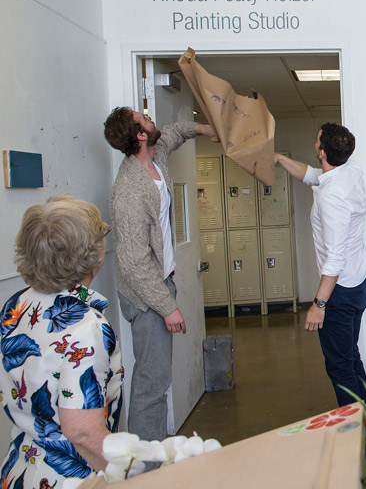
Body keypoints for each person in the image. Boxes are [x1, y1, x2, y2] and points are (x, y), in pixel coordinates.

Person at [104, 107, 215, 442]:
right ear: (140, 135)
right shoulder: (129, 191)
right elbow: (134, 261)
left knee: (158, 379)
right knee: (152, 384)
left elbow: (176, 131)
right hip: (146, 295)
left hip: (162, 282)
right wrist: (167, 306)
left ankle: (151, 456)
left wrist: (204, 128)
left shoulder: (156, 155)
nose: (152, 120)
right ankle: (147, 469)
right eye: (145, 119)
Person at [0, 196, 123, 487]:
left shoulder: (15, 306)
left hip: (22, 468)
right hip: (71, 478)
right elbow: (82, 433)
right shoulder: (85, 327)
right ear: (94, 255)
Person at [274, 123, 366, 407]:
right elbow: (313, 176)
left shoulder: (332, 198)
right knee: (349, 357)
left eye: (317, 142)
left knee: (340, 367)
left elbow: (335, 259)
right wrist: (278, 158)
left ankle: (360, 434)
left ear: (322, 153)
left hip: (340, 291)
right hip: (359, 282)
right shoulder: (349, 171)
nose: (315, 144)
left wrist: (319, 304)